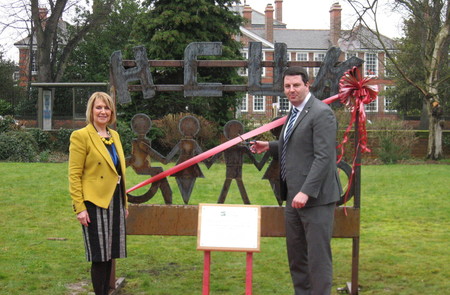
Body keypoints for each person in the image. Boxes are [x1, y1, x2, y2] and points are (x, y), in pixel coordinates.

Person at [250, 67, 341, 295]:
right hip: (293, 197)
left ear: (307, 85)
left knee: (318, 260)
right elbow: (298, 146)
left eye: (296, 85)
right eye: (287, 86)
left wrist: (306, 191)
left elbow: (324, 157)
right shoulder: (294, 112)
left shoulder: (322, 113)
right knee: (296, 257)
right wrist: (270, 146)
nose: (291, 90)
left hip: (315, 199)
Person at [68, 92, 128, 295]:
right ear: (91, 111)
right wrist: (80, 207)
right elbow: (74, 175)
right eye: (98, 107)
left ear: (111, 112)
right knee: (99, 255)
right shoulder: (81, 136)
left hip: (115, 200)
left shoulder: (115, 136)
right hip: (94, 202)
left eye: (107, 108)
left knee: (111, 253)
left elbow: (119, 172)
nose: (103, 111)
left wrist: (124, 205)